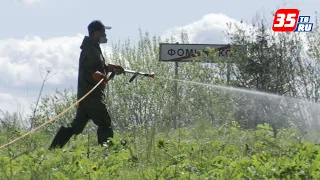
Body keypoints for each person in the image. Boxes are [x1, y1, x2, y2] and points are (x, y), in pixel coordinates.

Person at [48, 20, 124, 150]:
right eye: (102, 31)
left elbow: (97, 67)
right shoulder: (89, 49)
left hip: (86, 96)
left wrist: (110, 68)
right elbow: (90, 71)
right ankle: (107, 153)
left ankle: (53, 149)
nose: (104, 34)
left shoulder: (93, 47)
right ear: (96, 32)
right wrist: (99, 75)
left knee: (76, 127)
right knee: (105, 123)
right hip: (92, 95)